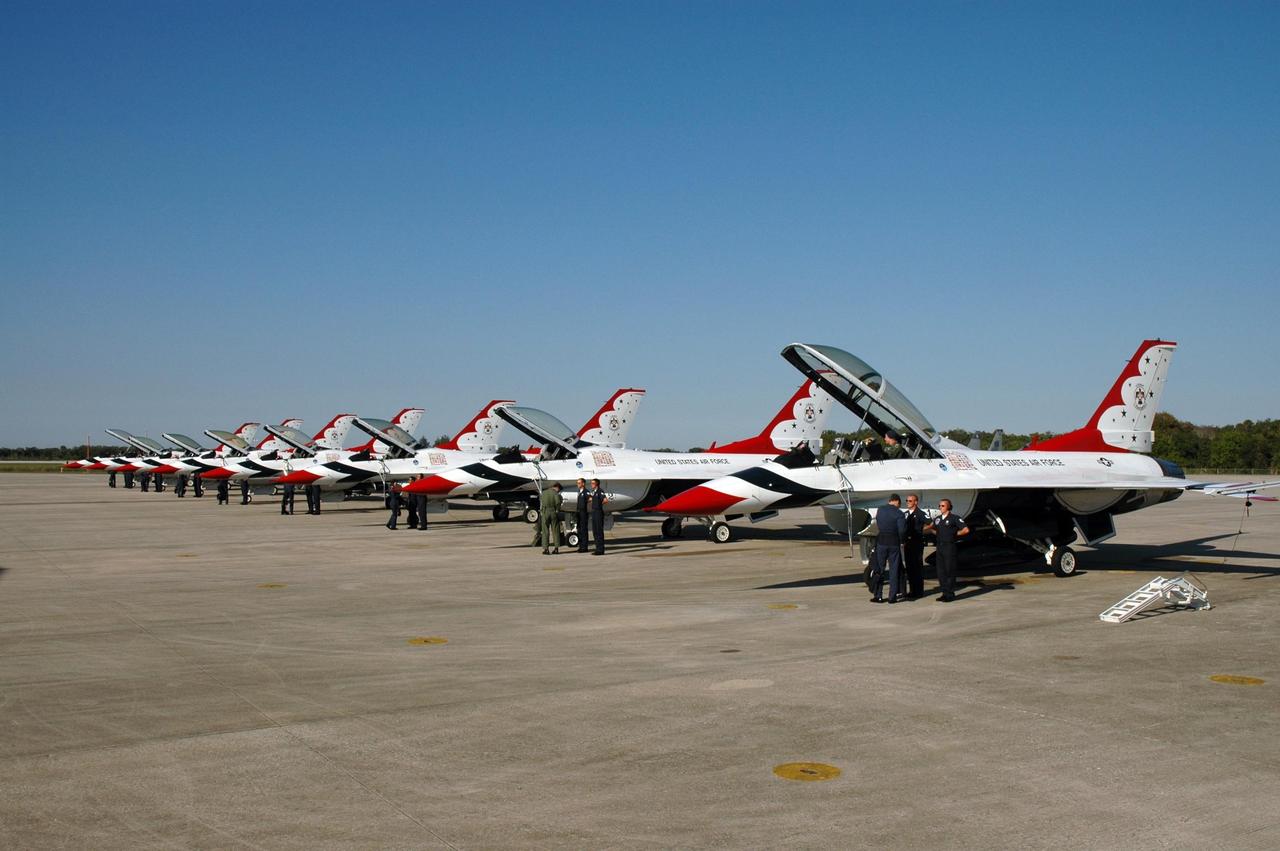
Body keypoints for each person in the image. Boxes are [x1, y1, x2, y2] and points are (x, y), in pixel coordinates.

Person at [925, 498, 970, 602]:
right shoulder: (938, 519)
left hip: (949, 546)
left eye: (943, 506)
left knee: (949, 570)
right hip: (940, 547)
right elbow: (933, 528)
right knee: (941, 571)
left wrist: (954, 535)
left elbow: (966, 529)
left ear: (948, 507)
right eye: (939, 506)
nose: (940, 507)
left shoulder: (954, 518)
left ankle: (950, 594)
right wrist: (937, 533)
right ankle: (944, 593)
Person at [872, 494, 907, 603]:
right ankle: (892, 597)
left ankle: (878, 595)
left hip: (881, 541)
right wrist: (902, 541)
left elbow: (878, 522)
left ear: (889, 500)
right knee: (894, 570)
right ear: (897, 501)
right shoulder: (899, 513)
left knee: (879, 570)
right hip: (893, 543)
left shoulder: (880, 510)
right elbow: (902, 530)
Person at [902, 494, 927, 599]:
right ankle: (912, 591)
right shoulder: (906, 514)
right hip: (908, 544)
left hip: (916, 543)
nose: (908, 502)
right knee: (910, 568)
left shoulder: (920, 513)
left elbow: (931, 523)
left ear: (916, 502)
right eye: (907, 500)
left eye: (910, 501)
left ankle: (919, 592)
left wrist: (921, 531)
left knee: (917, 567)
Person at [540, 483, 563, 555]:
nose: (559, 491)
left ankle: (546, 549)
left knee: (545, 531)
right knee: (555, 530)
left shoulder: (544, 493)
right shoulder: (555, 493)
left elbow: (541, 502)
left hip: (545, 512)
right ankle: (556, 549)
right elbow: (558, 502)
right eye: (559, 490)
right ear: (557, 488)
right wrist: (557, 510)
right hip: (553, 512)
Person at [589, 478, 607, 555]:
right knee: (595, 531)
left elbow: (605, 500)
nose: (591, 484)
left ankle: (601, 549)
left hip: (598, 512)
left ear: (596, 484)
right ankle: (597, 549)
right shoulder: (593, 492)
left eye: (593, 483)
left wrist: (599, 504)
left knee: (599, 531)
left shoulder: (600, 491)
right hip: (594, 512)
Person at [574, 478, 590, 553]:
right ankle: (581, 546)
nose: (578, 484)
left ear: (583, 484)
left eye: (579, 483)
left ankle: (584, 547)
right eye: (577, 483)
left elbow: (590, 499)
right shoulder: (579, 492)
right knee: (579, 530)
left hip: (583, 513)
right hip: (579, 513)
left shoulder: (586, 492)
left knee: (583, 530)